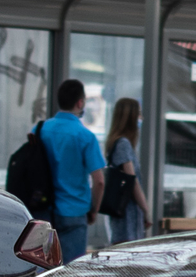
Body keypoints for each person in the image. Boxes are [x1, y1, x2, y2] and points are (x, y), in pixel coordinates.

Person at [38, 79, 106, 259]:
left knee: (42, 270)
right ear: (80, 103)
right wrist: (93, 210)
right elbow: (99, 181)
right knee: (69, 274)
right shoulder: (85, 136)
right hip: (74, 212)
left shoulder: (40, 130)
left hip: (43, 210)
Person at [104, 96, 149, 243]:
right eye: (138, 114)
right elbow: (132, 181)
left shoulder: (117, 142)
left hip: (123, 213)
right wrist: (145, 209)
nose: (141, 118)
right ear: (130, 118)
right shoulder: (123, 143)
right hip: (128, 213)